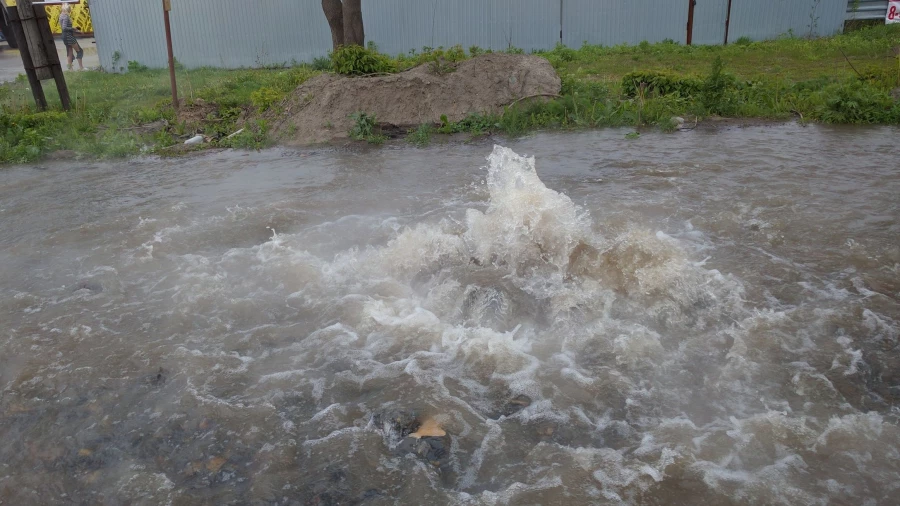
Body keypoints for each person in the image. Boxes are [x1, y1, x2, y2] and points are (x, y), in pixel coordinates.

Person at [59, 4, 83, 70]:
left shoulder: (61, 15)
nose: (70, 11)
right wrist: (74, 29)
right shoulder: (66, 16)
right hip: (68, 36)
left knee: (69, 52)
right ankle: (81, 68)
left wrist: (75, 30)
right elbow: (64, 28)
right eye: (69, 9)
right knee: (79, 51)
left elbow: (64, 28)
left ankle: (70, 70)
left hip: (64, 36)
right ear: (67, 9)